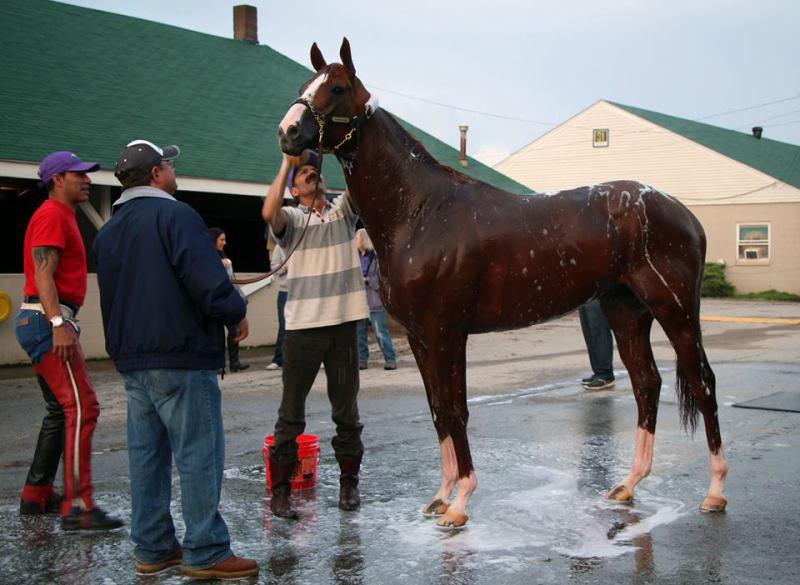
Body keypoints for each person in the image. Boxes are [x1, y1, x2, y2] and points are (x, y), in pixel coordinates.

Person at [93, 139, 258, 580]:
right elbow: (205, 281)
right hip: (180, 356)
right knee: (198, 453)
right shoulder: (176, 215)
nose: (171, 170)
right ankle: (205, 549)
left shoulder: (108, 230)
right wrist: (235, 311)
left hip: (132, 360)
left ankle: (153, 547)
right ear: (154, 175)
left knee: (147, 456)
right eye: (167, 164)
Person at [14, 151, 123, 531]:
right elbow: (44, 273)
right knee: (84, 408)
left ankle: (36, 494)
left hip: (42, 319)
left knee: (61, 411)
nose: (88, 179)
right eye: (80, 174)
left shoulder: (61, 215)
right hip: (46, 320)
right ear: (58, 179)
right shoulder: (52, 215)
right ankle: (78, 507)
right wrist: (58, 322)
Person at [261, 150, 368, 519]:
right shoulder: (291, 217)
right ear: (294, 188)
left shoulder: (343, 211)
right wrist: (287, 166)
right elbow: (268, 212)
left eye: (315, 172)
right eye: (305, 174)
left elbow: (358, 180)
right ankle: (280, 493)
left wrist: (340, 151)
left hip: (343, 326)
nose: (313, 175)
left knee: (347, 412)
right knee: (291, 415)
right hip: (303, 330)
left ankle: (349, 485)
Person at [209, 227, 250, 372]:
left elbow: (231, 280)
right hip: (219, 300)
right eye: (221, 240)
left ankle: (234, 362)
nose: (224, 243)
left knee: (234, 330)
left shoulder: (222, 256)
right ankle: (219, 364)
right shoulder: (209, 257)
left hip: (229, 298)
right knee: (217, 332)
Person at [355, 228, 397, 370]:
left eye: (357, 237)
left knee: (380, 331)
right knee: (359, 332)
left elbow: (382, 279)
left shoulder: (376, 257)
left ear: (363, 239)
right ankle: (362, 360)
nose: (355, 240)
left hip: (375, 300)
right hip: (360, 301)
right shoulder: (355, 258)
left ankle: (390, 359)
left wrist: (367, 280)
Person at [579, 299, 616, 390]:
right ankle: (598, 372)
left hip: (598, 291)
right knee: (586, 320)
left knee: (597, 324)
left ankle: (605, 374)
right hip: (587, 290)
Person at [266, 241, 288, 370]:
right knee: (284, 326)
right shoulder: (280, 246)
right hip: (285, 292)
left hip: (303, 292)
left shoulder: (304, 244)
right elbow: (274, 268)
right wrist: (286, 266)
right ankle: (278, 360)